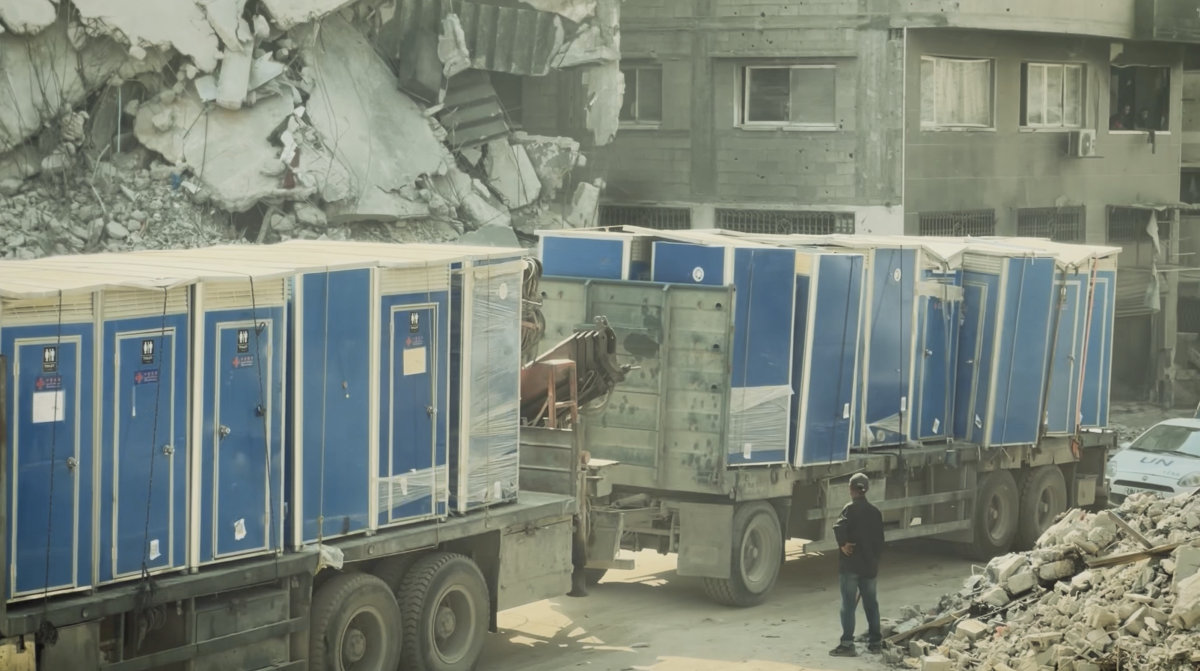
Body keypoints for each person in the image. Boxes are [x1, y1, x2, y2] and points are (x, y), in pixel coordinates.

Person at [829, 473, 885, 658]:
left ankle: (847, 645)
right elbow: (880, 542)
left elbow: (838, 527)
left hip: (850, 566)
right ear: (867, 489)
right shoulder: (875, 512)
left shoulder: (849, 509)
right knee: (871, 604)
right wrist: (873, 563)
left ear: (850, 489)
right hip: (869, 567)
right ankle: (876, 643)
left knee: (848, 605)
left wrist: (843, 544)